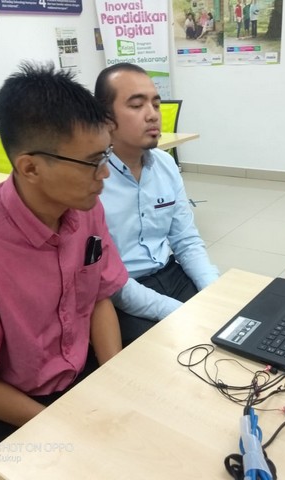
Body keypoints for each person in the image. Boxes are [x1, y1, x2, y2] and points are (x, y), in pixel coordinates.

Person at [0, 62, 128, 479]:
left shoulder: (84, 208)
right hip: (6, 408)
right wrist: (60, 427)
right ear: (30, 168)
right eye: (93, 161)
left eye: (106, 154)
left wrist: (114, 380)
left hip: (80, 375)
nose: (106, 173)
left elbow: (98, 298)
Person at [94, 63, 219, 347]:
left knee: (227, 330)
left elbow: (186, 241)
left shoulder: (165, 164)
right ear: (106, 118)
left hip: (171, 272)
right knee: (182, 351)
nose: (153, 114)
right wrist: (179, 312)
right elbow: (107, 278)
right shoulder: (92, 179)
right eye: (137, 105)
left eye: (156, 104)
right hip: (120, 294)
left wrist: (213, 290)